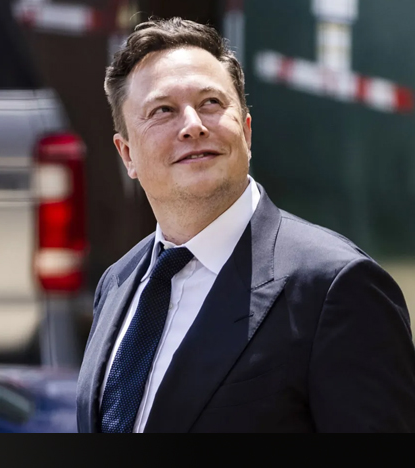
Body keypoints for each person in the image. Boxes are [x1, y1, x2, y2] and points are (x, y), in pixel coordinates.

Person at [76, 17, 415, 433]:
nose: (193, 125)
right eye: (163, 110)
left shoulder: (336, 288)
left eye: (211, 103)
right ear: (127, 154)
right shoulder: (118, 282)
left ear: (247, 132)